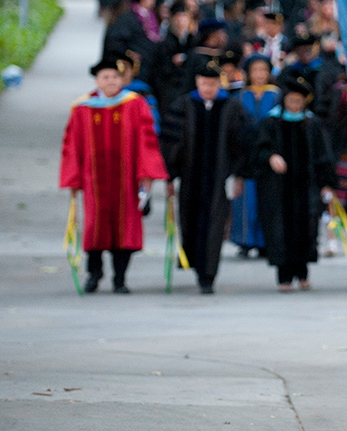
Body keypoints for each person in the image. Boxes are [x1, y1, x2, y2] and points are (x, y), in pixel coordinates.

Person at [59, 58, 168, 293]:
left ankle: (120, 279)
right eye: (105, 77)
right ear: (97, 81)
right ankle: (94, 274)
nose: (111, 81)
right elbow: (72, 145)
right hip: (93, 181)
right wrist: (73, 178)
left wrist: (146, 176)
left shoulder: (135, 104)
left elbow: (147, 141)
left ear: (122, 80)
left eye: (115, 77)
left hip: (126, 182)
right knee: (94, 230)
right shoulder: (82, 108)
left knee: (125, 231)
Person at [160, 61, 253, 294]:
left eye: (212, 83)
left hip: (218, 180)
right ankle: (194, 264)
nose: (207, 88)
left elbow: (242, 144)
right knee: (190, 223)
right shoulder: (183, 105)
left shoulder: (231, 107)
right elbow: (170, 143)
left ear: (218, 83)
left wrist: (239, 174)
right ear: (197, 83)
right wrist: (170, 176)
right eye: (203, 83)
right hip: (190, 178)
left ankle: (208, 275)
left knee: (214, 226)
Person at [253, 77, 336, 291]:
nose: (294, 105)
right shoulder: (271, 122)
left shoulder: (313, 123)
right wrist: (271, 156)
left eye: (298, 101)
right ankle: (284, 276)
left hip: (306, 188)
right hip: (277, 189)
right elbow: (257, 150)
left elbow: (323, 155)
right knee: (280, 230)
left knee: (306, 230)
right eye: (290, 101)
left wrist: (326, 184)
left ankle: (303, 271)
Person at [230, 55, 281, 257]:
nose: (259, 75)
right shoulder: (240, 97)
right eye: (255, 70)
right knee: (245, 198)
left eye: (263, 70)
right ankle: (245, 241)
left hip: (268, 152)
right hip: (246, 153)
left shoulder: (277, 96)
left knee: (267, 198)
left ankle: (264, 241)